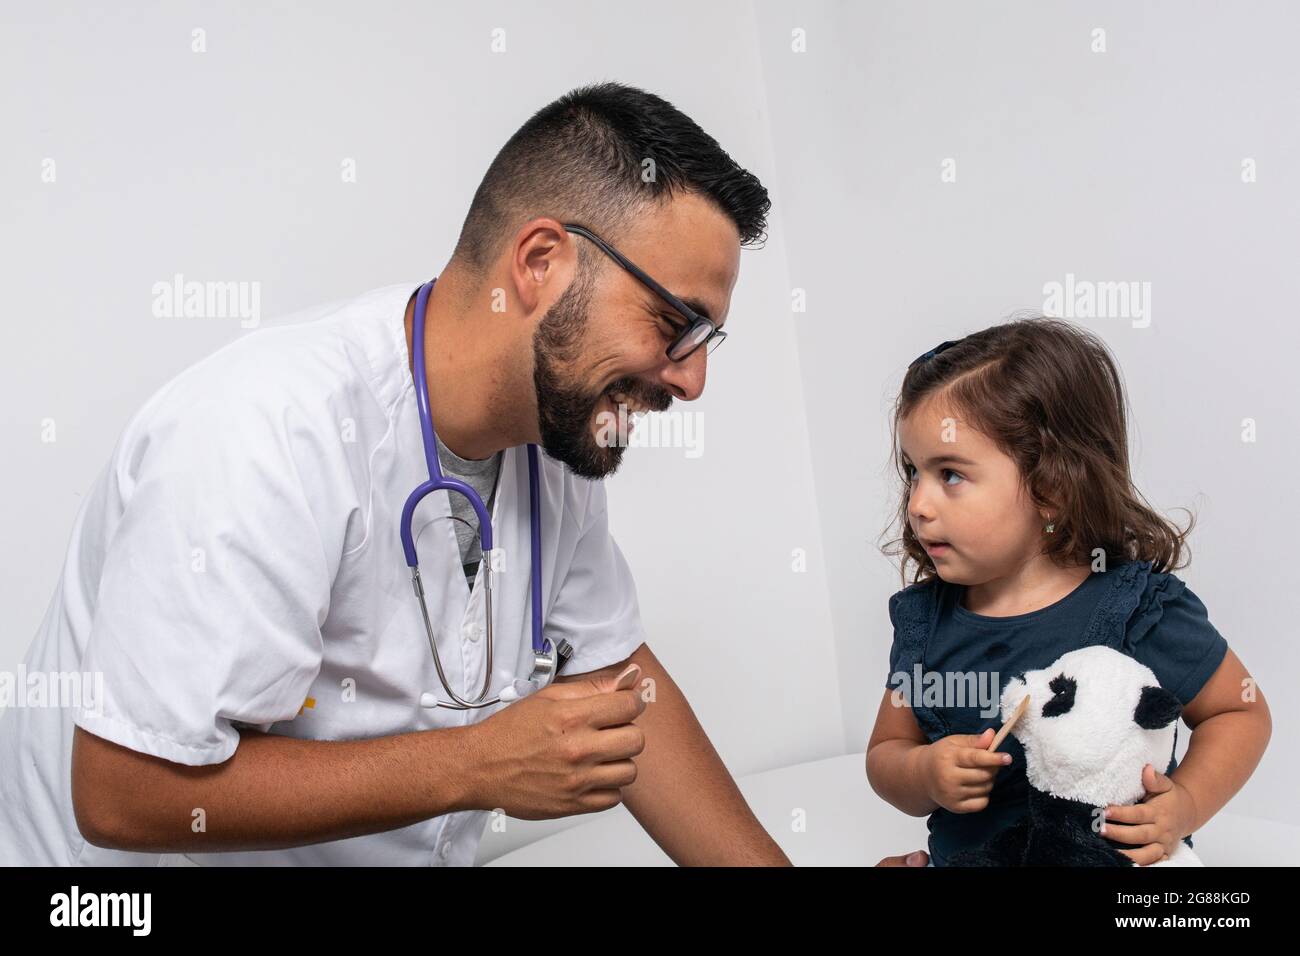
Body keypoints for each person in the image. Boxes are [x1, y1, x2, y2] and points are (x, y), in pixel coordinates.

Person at [0, 82, 806, 866]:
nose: (692, 381)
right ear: (540, 261)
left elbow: (617, 679)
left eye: (706, 343)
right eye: (675, 325)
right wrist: (477, 764)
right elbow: (122, 792)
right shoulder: (265, 430)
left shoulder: (553, 435)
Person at [865, 319, 1271, 867]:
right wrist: (925, 773)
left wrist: (1188, 804)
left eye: (951, 475)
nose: (918, 504)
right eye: (913, 472)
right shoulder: (925, 622)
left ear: (1051, 489)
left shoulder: (1135, 609)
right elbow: (886, 752)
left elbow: (1239, 713)